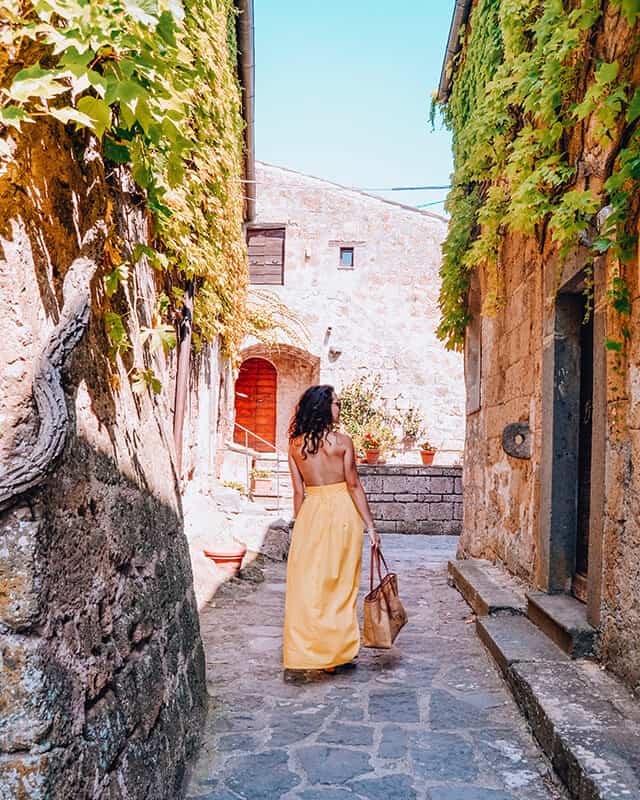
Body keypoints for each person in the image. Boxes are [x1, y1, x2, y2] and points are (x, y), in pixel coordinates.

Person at [283, 384, 381, 672]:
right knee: (340, 584)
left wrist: (300, 528)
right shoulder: (342, 442)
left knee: (310, 583)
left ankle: (310, 650)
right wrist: (371, 526)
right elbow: (353, 485)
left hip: (311, 512)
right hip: (342, 512)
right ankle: (335, 652)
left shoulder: (294, 445)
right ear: (325, 408)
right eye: (336, 403)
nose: (339, 408)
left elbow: (298, 492)